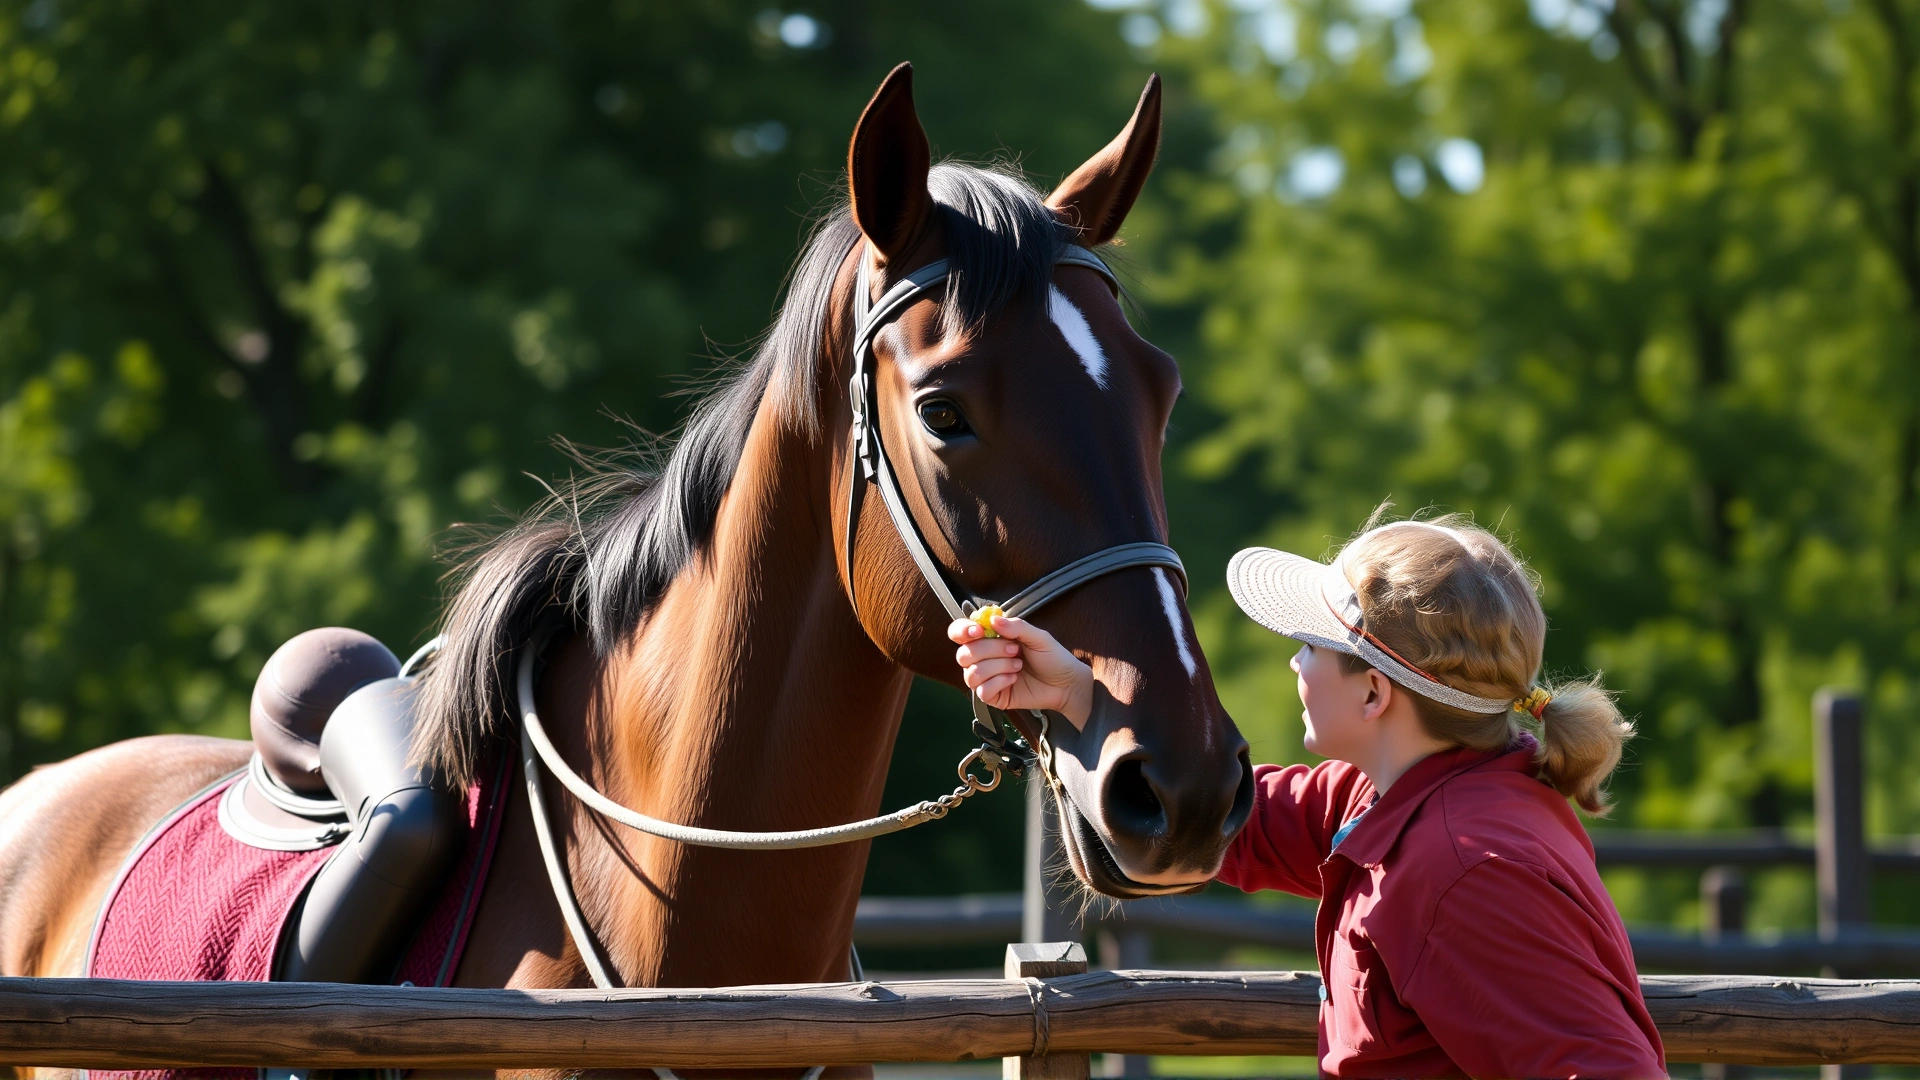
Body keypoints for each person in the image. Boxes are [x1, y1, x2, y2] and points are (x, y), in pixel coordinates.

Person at [950, 515, 1666, 1078]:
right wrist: (1076, 698)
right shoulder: (1398, 798)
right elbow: (1207, 818)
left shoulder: (1465, 869)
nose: (1294, 659)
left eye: (1310, 645)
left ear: (1375, 692)